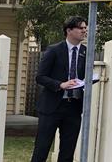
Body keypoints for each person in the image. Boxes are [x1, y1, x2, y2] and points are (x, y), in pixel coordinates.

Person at [31, 16, 88, 162]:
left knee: (67, 152)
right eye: (80, 28)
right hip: (52, 107)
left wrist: (88, 81)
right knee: (41, 149)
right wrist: (60, 85)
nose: (84, 30)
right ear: (69, 30)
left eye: (85, 27)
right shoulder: (54, 50)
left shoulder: (85, 52)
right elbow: (40, 77)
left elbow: (83, 76)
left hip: (74, 107)